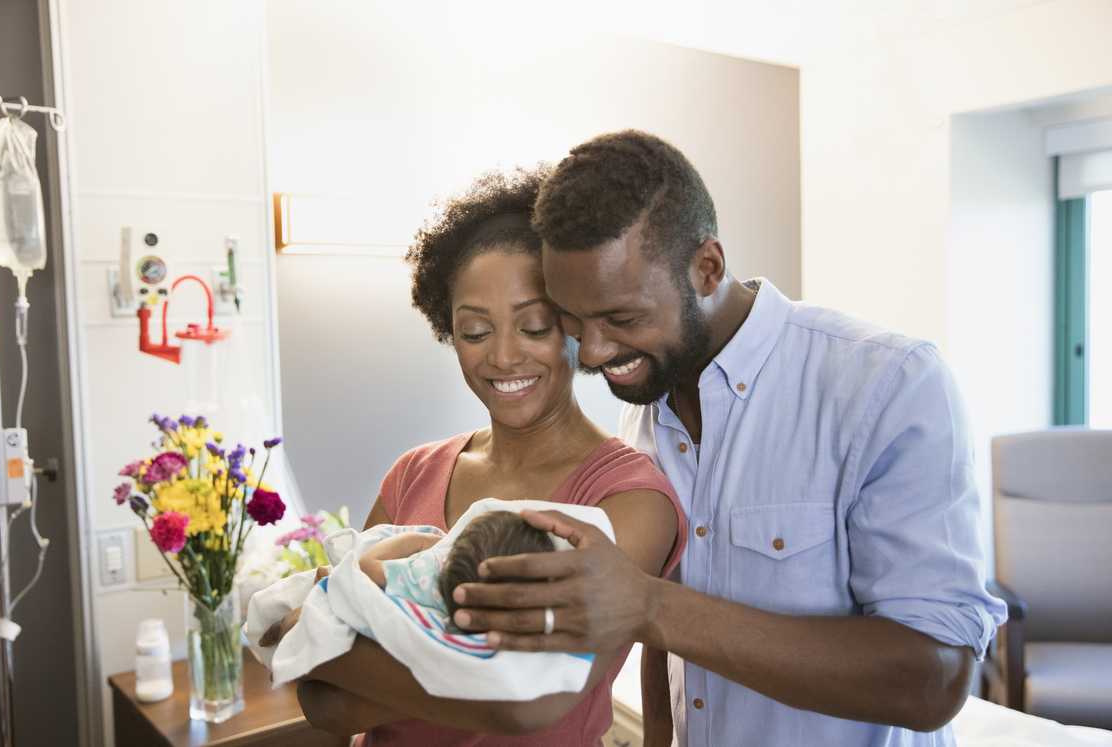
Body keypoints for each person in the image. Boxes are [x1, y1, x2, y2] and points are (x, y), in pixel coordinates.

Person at [449, 131, 1009, 746]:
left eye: (623, 318)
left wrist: (648, 605)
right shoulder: (644, 410)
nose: (598, 352)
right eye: (575, 321)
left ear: (707, 267)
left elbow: (934, 680)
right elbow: (667, 652)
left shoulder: (886, 384)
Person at [258, 167, 688, 746]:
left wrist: (323, 630)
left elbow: (530, 706)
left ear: (573, 324)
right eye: (475, 331)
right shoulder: (413, 474)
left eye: (533, 326)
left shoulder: (628, 501)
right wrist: (464, 681)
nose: (505, 357)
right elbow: (324, 707)